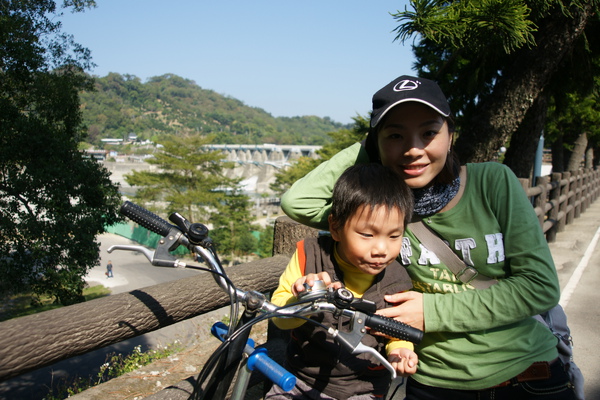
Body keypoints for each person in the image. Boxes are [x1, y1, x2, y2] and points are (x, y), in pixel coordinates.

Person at [280, 75, 577, 399]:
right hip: (433, 385)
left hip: (526, 375)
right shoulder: (380, 211)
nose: (413, 149)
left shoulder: (493, 182)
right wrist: (372, 147)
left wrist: (432, 312)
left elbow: (541, 285)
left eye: (429, 133)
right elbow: (297, 202)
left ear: (451, 136)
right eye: (395, 135)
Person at [266, 163, 417, 400]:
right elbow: (279, 318)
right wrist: (303, 297)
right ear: (335, 227)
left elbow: (398, 332)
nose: (381, 249)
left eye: (394, 236)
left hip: (363, 390)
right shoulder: (311, 256)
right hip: (298, 381)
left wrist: (400, 351)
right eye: (367, 234)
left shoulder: (397, 281)